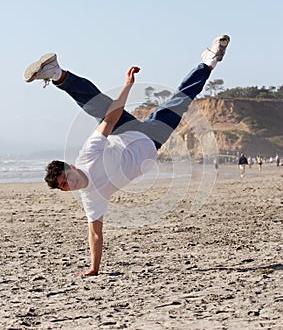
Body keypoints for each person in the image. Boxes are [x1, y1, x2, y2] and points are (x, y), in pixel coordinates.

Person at [24, 35, 230, 276]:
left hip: (127, 131)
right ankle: (210, 61)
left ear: (71, 166)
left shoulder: (88, 154)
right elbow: (95, 233)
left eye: (65, 178)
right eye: (64, 186)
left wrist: (127, 86)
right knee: (181, 100)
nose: (69, 183)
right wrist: (94, 268)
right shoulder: (91, 197)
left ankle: (57, 73)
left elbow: (111, 116)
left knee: (99, 107)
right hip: (153, 140)